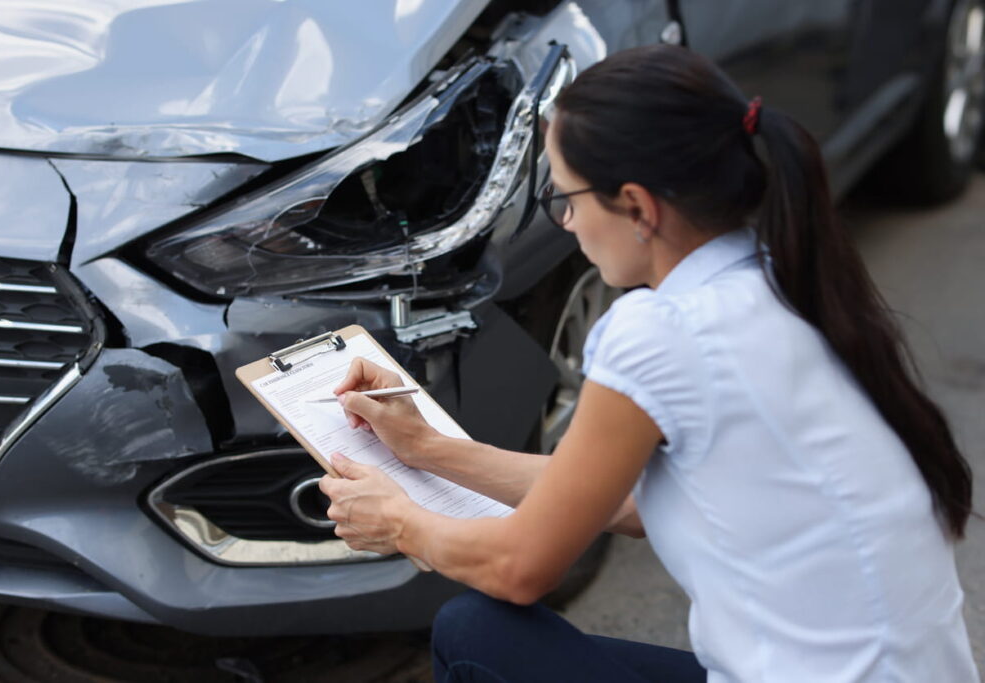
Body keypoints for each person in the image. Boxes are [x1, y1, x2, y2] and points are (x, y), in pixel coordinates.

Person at [318, 44, 979, 682]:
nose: (568, 223)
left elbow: (520, 566)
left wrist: (399, 521)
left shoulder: (662, 330)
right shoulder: (781, 279)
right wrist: (429, 449)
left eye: (566, 198)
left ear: (636, 206)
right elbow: (635, 502)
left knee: (475, 631)